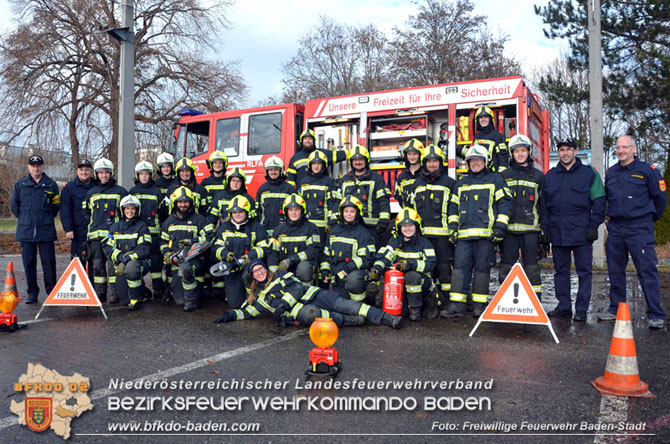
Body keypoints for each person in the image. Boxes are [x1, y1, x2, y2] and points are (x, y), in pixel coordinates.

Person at [598, 135, 667, 329]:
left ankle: (656, 313)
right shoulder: (611, 172)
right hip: (617, 228)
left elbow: (661, 200)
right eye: (618, 147)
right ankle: (616, 308)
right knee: (615, 271)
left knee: (647, 271)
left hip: (640, 228)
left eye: (625, 147)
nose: (621, 151)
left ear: (634, 149)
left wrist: (646, 219)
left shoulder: (648, 171)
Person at [213, 259, 402, 329]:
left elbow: (296, 287)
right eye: (256, 271)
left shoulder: (280, 274)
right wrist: (231, 314)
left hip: (315, 295)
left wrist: (283, 305)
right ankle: (350, 321)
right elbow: (248, 312)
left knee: (350, 305)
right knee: (313, 315)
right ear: (253, 277)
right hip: (302, 310)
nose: (260, 272)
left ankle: (387, 319)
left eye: (262, 268)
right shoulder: (260, 299)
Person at [539, 137, 606, 321]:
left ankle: (582, 309)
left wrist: (594, 226)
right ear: (558, 152)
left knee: (584, 272)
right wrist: (545, 228)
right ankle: (564, 307)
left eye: (569, 149)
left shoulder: (589, 174)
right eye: (562, 150)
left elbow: (599, 201)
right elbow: (543, 206)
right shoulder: (550, 176)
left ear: (576, 151)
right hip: (558, 232)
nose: (565, 153)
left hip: (582, 232)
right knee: (560, 272)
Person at [446, 145, 513, 318]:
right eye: (472, 160)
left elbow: (505, 205)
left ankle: (479, 306)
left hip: (486, 237)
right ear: (468, 163)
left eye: (478, 159)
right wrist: (452, 228)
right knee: (460, 270)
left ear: (486, 161)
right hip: (463, 238)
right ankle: (457, 306)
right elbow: (453, 208)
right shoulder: (461, 183)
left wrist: (499, 228)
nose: (475, 163)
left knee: (482, 270)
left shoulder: (496, 180)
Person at [368, 208, 437, 321]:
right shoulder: (394, 241)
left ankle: (415, 310)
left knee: (411, 276)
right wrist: (376, 269)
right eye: (404, 226)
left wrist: (410, 265)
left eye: (410, 225)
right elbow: (385, 257)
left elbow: (431, 264)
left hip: (422, 285)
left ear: (417, 226)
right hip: (400, 284)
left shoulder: (424, 243)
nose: (407, 229)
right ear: (399, 228)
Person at [10, 155, 60, 304]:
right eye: (33, 165)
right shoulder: (20, 185)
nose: (36, 168)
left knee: (49, 263)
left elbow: (55, 206)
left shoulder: (51, 185)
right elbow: (15, 206)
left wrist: (45, 219)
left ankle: (51, 292)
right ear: (28, 167)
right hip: (26, 231)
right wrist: (26, 218)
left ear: (43, 167)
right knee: (29, 263)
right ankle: (32, 293)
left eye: (38, 165)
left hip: (46, 230)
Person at [499, 134, 544, 299]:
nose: (520, 154)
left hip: (531, 231)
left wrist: (544, 230)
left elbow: (543, 205)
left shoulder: (538, 176)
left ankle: (535, 300)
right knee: (506, 267)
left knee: (532, 267)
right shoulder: (504, 176)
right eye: (516, 151)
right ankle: (506, 300)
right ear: (512, 154)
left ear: (528, 152)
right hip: (509, 231)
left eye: (523, 150)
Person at [413, 144, 456, 311]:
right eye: (429, 161)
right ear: (424, 163)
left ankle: (446, 302)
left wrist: (452, 231)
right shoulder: (416, 183)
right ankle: (429, 300)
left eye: (435, 161)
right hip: (422, 237)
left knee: (444, 269)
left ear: (441, 163)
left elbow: (454, 209)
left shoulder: (450, 183)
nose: (432, 165)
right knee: (426, 269)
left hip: (443, 237)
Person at [160, 186, 213, 312]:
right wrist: (166, 253)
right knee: (179, 300)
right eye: (180, 202)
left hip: (194, 261)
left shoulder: (199, 219)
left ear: (191, 202)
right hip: (175, 262)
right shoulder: (169, 222)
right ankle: (190, 294)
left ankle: (192, 302)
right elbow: (163, 241)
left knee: (186, 269)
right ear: (175, 203)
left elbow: (210, 238)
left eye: (186, 202)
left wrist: (193, 242)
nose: (183, 205)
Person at [211, 195, 268, 307]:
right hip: (233, 268)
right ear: (230, 213)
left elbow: (264, 248)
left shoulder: (256, 227)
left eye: (241, 211)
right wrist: (225, 254)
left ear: (247, 212)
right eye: (234, 212)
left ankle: (252, 297)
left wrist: (248, 258)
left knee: (248, 278)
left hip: (250, 269)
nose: (237, 214)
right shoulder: (224, 227)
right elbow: (216, 247)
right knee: (235, 303)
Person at [83, 158, 128, 303]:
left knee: (112, 267)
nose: (104, 175)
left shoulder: (120, 192)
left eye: (106, 172)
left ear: (111, 173)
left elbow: (125, 213)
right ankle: (100, 294)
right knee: (97, 268)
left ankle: (115, 294)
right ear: (96, 174)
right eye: (101, 173)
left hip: (113, 238)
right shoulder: (91, 193)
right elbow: (87, 213)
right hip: (95, 239)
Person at [320, 196, 376, 302]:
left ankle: (360, 306)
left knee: (353, 282)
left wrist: (347, 269)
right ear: (341, 213)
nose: (348, 214)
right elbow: (326, 255)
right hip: (336, 278)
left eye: (352, 211)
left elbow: (366, 259)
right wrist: (324, 271)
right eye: (346, 211)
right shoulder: (333, 232)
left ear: (357, 213)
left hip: (353, 276)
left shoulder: (364, 234)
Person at [102, 195, 151, 310]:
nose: (130, 211)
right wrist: (119, 256)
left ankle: (135, 300)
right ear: (122, 210)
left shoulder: (142, 226)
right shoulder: (115, 227)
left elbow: (144, 248)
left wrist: (129, 258)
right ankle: (143, 292)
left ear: (137, 210)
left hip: (139, 263)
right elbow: (107, 246)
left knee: (132, 268)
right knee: (124, 301)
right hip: (121, 263)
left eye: (133, 208)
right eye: (127, 209)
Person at [339, 145, 391, 248]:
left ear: (366, 161)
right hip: (350, 228)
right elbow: (338, 202)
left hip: (372, 228)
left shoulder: (376, 178)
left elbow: (383, 201)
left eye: (361, 159)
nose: (358, 162)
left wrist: (383, 221)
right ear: (351, 161)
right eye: (355, 160)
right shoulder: (344, 180)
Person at [128, 160, 165, 299]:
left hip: (154, 233)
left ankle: (158, 291)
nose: (144, 177)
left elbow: (163, 211)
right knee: (138, 262)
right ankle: (142, 290)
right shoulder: (132, 192)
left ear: (151, 175)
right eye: (141, 174)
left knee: (156, 264)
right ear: (137, 176)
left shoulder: (157, 192)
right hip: (137, 235)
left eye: (147, 174)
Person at [267, 194, 320, 283]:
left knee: (304, 269)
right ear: (286, 211)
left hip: (303, 268)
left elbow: (312, 251)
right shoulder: (278, 230)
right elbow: (272, 253)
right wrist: (274, 273)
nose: (294, 213)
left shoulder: (311, 228)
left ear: (302, 211)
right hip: (284, 268)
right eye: (290, 210)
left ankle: (305, 294)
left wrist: (291, 260)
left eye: (297, 209)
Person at [60, 158, 96, 285]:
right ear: (77, 171)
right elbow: (65, 210)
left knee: (94, 262)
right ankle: (77, 287)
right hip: (77, 230)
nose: (84, 172)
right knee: (77, 261)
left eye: (87, 170)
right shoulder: (69, 188)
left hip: (94, 230)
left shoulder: (96, 186)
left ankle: (92, 289)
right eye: (81, 170)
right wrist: (68, 229)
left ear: (91, 172)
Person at [297, 150, 341, 242]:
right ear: (310, 165)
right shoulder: (304, 182)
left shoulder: (328, 182)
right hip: (306, 225)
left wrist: (331, 222)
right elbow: (299, 204)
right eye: (314, 163)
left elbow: (333, 203)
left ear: (323, 166)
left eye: (319, 164)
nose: (316, 166)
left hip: (322, 227)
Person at [459, 106, 509, 174]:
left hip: (492, 175)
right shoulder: (477, 137)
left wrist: (500, 176)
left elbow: (503, 158)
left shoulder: (497, 136)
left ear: (490, 119)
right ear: (477, 120)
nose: (483, 119)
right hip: (478, 174)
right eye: (481, 117)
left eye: (486, 117)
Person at [256, 156, 294, 237]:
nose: (273, 172)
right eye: (270, 169)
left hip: (285, 231)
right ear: (266, 171)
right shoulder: (262, 189)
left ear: (281, 171)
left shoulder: (289, 189)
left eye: (276, 169)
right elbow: (258, 212)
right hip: (265, 232)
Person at [394, 138, 424, 209]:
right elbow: (398, 197)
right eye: (409, 154)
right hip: (408, 216)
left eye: (415, 154)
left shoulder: (426, 174)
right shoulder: (402, 177)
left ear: (420, 155)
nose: (412, 157)